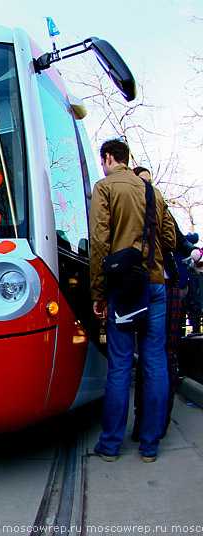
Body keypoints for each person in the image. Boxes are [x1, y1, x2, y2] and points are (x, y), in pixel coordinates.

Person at [89, 139, 175, 463]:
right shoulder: (152, 191)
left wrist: (98, 293)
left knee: (120, 365)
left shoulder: (105, 188)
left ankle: (111, 445)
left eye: (103, 162)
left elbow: (100, 240)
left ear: (109, 158)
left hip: (123, 289)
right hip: (155, 286)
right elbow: (170, 239)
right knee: (155, 363)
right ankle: (150, 446)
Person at [130, 167, 195, 441]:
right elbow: (174, 240)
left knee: (155, 355)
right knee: (158, 355)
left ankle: (150, 424)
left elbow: (177, 240)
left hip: (150, 284)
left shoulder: (128, 204)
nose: (147, 186)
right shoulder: (150, 203)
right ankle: (151, 427)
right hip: (156, 283)